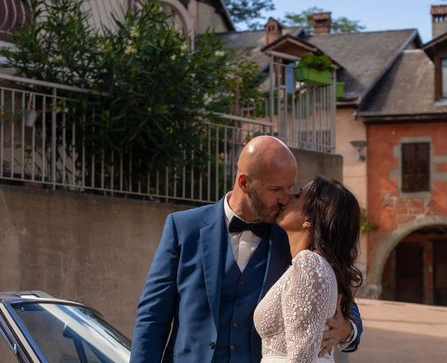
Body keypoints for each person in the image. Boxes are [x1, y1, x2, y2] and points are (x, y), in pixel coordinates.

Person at [130, 135, 361, 363]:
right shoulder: (184, 228)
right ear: (244, 183)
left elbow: (335, 294)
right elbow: (153, 316)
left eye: (290, 188)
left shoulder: (294, 242)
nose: (285, 198)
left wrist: (347, 330)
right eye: (276, 189)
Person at [254, 176, 362, 363]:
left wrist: (349, 329)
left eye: (296, 196)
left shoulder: (309, 264)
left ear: (309, 220)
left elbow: (302, 358)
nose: (285, 198)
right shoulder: (317, 264)